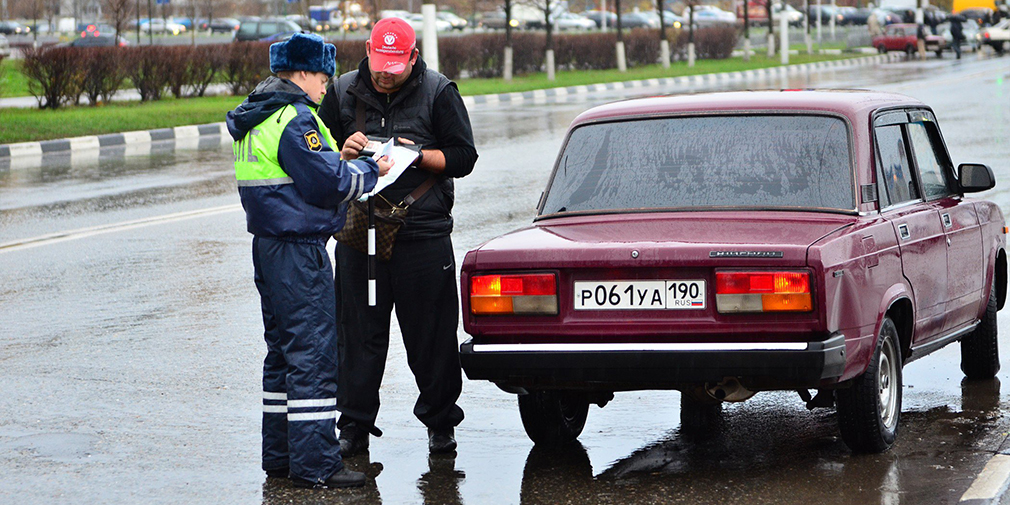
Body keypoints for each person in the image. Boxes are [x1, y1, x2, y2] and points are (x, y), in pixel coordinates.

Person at [226, 32, 392, 488]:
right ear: (301, 73)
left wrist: (338, 164)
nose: (326, 86)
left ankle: (279, 458)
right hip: (299, 251)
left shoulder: (256, 114)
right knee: (313, 355)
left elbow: (294, 177)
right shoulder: (296, 119)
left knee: (281, 354)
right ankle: (317, 464)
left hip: (268, 247)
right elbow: (329, 183)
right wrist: (368, 170)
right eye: (322, 76)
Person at [317, 16, 478, 456]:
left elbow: (465, 156)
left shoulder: (438, 92)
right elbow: (318, 152)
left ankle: (441, 424)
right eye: (379, 61)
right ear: (367, 50)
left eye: (396, 63)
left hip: (422, 234)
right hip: (358, 232)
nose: (385, 71)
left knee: (431, 337)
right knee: (357, 336)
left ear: (413, 56)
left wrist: (419, 157)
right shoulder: (342, 90)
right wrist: (342, 150)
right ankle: (353, 425)